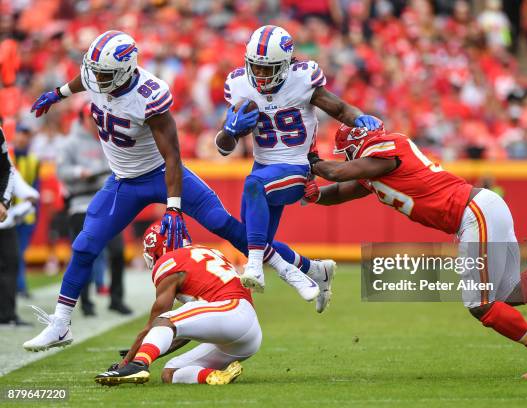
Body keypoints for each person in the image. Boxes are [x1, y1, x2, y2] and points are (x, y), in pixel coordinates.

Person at [24, 30, 333, 353]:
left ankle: (299, 270)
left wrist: (173, 207)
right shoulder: (96, 76)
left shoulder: (148, 94)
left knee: (227, 227)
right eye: (95, 71)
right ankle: (60, 324)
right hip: (123, 181)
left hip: (162, 174)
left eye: (104, 74)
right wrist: (58, 93)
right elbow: (84, 80)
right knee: (85, 244)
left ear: (125, 71)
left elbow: (172, 156)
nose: (96, 79)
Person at [304, 124, 527, 378]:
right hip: (482, 209)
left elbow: (337, 173)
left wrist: (308, 159)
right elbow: (339, 189)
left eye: (348, 154)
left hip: (473, 213)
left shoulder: (387, 153)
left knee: (479, 304)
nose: (347, 160)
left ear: (358, 147)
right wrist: (314, 196)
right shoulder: (374, 171)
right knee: (512, 294)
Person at [216, 25, 380, 300]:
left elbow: (339, 109)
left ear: (286, 63)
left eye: (268, 69)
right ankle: (315, 270)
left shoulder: (302, 79)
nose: (260, 74)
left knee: (254, 189)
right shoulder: (238, 84)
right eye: (255, 67)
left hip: (297, 167)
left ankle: (255, 267)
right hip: (264, 167)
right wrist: (229, 131)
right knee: (251, 240)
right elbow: (223, 149)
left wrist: (360, 117)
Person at [94, 223, 260, 386]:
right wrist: (145, 349)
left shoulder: (169, 263)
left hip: (230, 310)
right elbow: (185, 330)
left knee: (164, 320)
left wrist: (127, 363)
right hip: (247, 334)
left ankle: (137, 366)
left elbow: (157, 323)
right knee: (171, 372)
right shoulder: (205, 251)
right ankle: (216, 376)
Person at [56, 104, 131, 316]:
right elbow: (61, 171)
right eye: (92, 118)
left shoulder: (108, 139)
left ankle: (116, 299)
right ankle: (86, 302)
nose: (95, 120)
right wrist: (80, 172)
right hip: (81, 203)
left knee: (117, 253)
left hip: (108, 203)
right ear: (82, 119)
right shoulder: (69, 143)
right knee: (85, 254)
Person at [0, 126, 39, 326]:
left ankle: (7, 315)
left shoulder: (1, 139)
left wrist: (7, 206)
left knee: (12, 264)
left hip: (5, 222)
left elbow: (9, 171)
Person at [12, 124, 40, 299]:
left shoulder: (34, 160)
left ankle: (19, 287)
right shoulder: (7, 156)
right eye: (21, 134)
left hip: (25, 214)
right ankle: (18, 287)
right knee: (14, 253)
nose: (23, 138)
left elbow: (36, 187)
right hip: (7, 214)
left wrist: (35, 213)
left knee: (18, 252)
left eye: (26, 135)